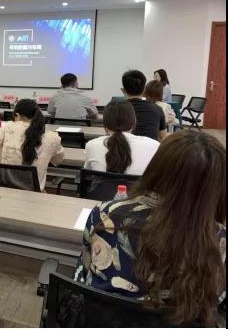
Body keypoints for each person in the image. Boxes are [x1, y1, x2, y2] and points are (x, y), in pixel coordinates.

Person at [75, 130, 226, 326]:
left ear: (156, 168)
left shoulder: (105, 214)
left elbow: (86, 273)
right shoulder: (219, 240)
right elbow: (216, 301)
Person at [0, 99, 64, 190]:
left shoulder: (8, 127)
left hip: (2, 186)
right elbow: (58, 160)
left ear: (17, 115)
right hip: (31, 192)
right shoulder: (53, 138)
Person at [84, 101, 160, 175]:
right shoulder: (154, 145)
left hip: (102, 184)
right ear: (134, 123)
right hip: (139, 184)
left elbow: (87, 174)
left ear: (105, 125)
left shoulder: (91, 145)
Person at [121, 70, 167, 141]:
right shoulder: (157, 109)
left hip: (123, 147)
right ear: (143, 90)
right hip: (151, 147)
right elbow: (162, 137)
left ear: (123, 90)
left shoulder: (117, 109)